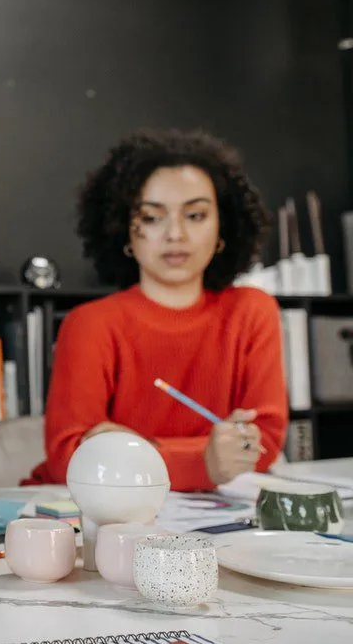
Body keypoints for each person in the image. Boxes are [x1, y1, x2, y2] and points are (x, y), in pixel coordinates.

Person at [24, 128, 287, 492]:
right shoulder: (89, 324)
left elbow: (264, 442)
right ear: (123, 232)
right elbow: (69, 457)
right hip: (85, 515)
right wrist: (203, 460)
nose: (175, 234)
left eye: (195, 215)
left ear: (223, 226)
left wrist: (133, 450)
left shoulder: (252, 311)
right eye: (151, 217)